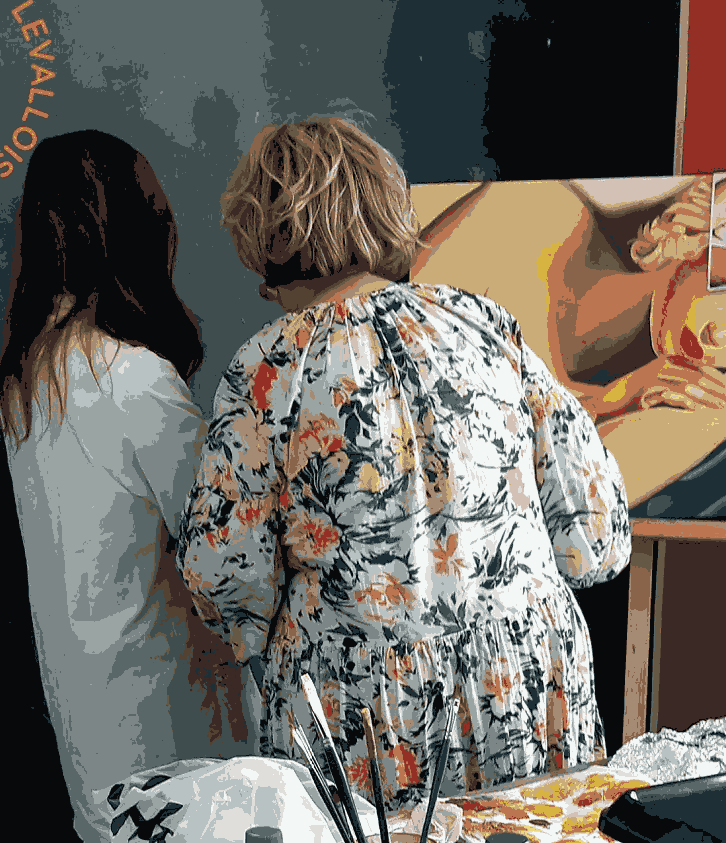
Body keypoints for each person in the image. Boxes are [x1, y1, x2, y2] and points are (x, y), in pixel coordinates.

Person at [175, 116, 633, 805]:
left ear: (263, 237)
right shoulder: (484, 325)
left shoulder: (271, 368)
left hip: (365, 708)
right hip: (527, 680)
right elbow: (595, 534)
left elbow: (224, 574)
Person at [0, 130, 250, 843]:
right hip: (170, 731)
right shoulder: (133, 378)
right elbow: (222, 550)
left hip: (92, 729)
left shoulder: (27, 378)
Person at [410, 172, 726, 508]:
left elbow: (585, 502)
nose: (722, 335)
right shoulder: (535, 218)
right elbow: (403, 392)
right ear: (708, 250)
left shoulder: (633, 392)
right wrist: (598, 402)